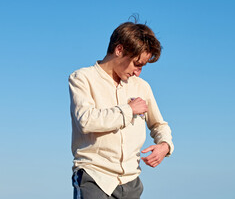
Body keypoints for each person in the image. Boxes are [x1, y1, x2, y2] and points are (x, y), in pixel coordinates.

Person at [68, 20, 174, 199]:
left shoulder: (142, 87)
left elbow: (159, 124)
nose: (138, 72)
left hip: (132, 183)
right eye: (136, 64)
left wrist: (165, 145)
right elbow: (85, 121)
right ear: (119, 50)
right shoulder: (82, 78)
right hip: (94, 178)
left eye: (143, 66)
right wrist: (128, 110)